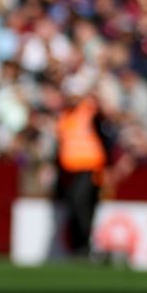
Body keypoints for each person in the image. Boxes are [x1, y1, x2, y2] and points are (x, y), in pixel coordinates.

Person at [55, 92, 110, 259]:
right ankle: (81, 246)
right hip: (71, 170)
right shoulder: (64, 117)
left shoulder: (87, 110)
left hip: (90, 167)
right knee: (74, 204)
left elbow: (102, 112)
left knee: (82, 203)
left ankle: (88, 244)